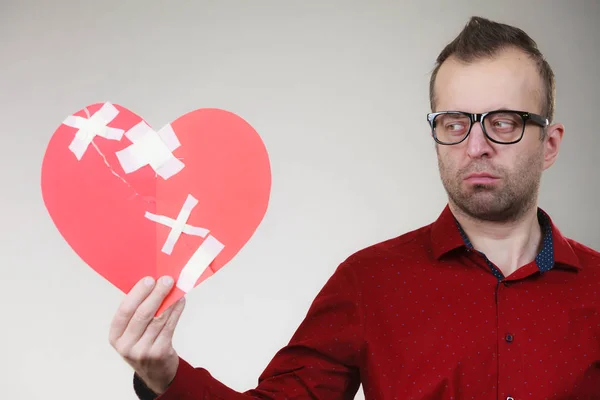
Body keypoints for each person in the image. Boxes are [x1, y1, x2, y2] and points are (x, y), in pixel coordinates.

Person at [109, 16, 600, 399]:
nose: (476, 146)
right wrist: (165, 376)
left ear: (550, 144)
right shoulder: (370, 281)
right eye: (455, 123)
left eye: (504, 122)